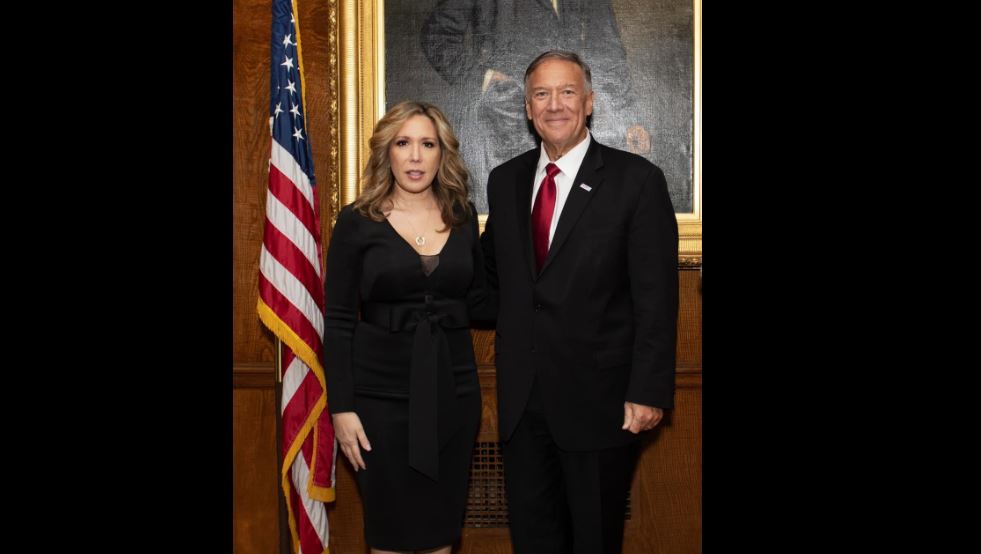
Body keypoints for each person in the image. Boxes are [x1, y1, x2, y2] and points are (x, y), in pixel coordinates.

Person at [480, 50, 678, 553]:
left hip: (602, 404)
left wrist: (649, 390)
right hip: (523, 405)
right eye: (541, 94)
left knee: (594, 540)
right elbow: (491, 280)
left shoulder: (636, 180)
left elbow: (656, 299)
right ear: (527, 107)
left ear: (589, 102)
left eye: (567, 92)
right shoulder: (505, 181)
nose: (555, 105)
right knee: (533, 541)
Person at [324, 100, 494, 554]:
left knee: (441, 534)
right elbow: (338, 321)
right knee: (391, 535)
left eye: (427, 144)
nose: (415, 156)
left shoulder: (462, 217)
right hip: (378, 403)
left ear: (442, 153)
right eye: (403, 143)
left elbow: (481, 301)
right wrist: (341, 408)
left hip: (453, 395)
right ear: (387, 151)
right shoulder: (356, 222)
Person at [420, 0, 651, 213]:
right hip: (502, 131)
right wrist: (486, 79)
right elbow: (437, 35)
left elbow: (609, 52)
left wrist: (629, 118)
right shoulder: (502, 177)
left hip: (577, 140)